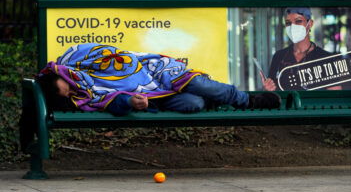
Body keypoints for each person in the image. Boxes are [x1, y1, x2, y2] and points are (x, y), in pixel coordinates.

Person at [37, 43, 281, 115]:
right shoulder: (83, 95)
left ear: (58, 76)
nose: (71, 91)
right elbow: (107, 100)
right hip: (155, 98)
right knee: (193, 104)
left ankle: (247, 101)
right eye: (67, 95)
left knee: (196, 83)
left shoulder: (74, 58)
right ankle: (214, 99)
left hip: (154, 71)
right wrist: (131, 103)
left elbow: (116, 57)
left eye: (63, 88)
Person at [262, 7, 342, 91]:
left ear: (310, 24)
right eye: (288, 23)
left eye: (298, 21)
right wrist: (267, 88)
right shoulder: (279, 56)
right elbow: (271, 93)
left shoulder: (327, 59)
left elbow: (334, 96)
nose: (293, 26)